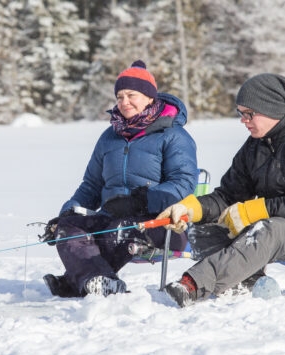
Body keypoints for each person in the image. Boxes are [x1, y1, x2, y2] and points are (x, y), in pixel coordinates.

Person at [156, 73, 285, 307]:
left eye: (249, 113)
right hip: (280, 225)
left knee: (265, 229)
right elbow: (229, 195)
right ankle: (248, 283)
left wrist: (255, 210)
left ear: (271, 108)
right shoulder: (255, 145)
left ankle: (193, 284)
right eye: (240, 113)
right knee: (205, 228)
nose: (243, 120)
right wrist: (192, 208)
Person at [43, 60, 197, 298]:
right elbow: (92, 185)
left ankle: (80, 281)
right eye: (119, 96)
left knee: (120, 230)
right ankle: (95, 280)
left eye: (131, 95)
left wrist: (142, 200)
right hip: (112, 217)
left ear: (149, 97)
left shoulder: (174, 135)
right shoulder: (109, 137)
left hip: (161, 223)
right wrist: (68, 212)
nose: (124, 102)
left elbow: (183, 184)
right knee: (68, 229)